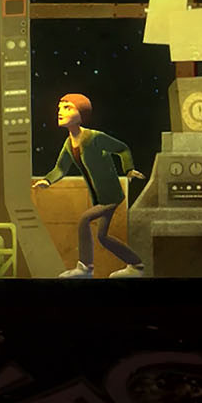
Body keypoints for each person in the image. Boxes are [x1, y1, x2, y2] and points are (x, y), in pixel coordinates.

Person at [31, 93, 147, 278]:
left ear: (82, 114)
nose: (60, 112)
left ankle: (85, 268)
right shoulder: (69, 143)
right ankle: (136, 265)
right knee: (103, 237)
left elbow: (122, 148)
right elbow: (61, 168)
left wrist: (129, 169)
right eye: (60, 108)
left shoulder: (94, 138)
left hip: (111, 195)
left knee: (84, 219)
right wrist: (47, 180)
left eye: (68, 108)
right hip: (100, 198)